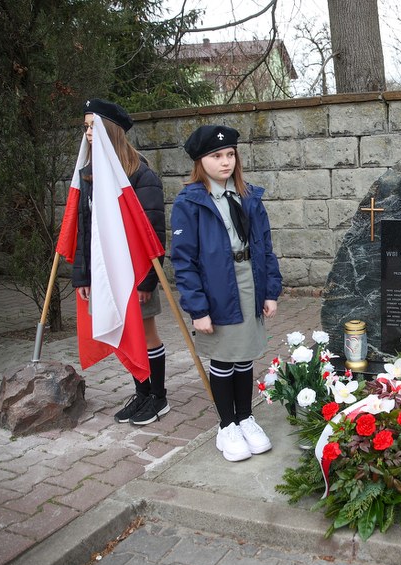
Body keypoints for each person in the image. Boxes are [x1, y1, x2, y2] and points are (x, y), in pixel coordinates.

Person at [170, 125, 282, 462]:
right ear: (200, 161)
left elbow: (265, 247)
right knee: (223, 355)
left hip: (249, 279)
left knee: (245, 353)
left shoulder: (249, 196)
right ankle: (227, 424)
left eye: (230, 154)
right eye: (216, 156)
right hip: (217, 285)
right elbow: (184, 261)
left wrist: (270, 291)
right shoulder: (190, 202)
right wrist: (198, 308)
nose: (225, 162)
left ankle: (245, 416)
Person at [73, 99, 170, 427]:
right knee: (126, 332)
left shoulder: (140, 174)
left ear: (109, 129)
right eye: (85, 127)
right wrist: (82, 275)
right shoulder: (90, 175)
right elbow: (85, 231)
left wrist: (147, 281)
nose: (87, 133)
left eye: (93, 126)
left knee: (145, 332)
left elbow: (153, 230)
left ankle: (158, 397)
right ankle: (141, 394)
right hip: (105, 274)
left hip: (135, 272)